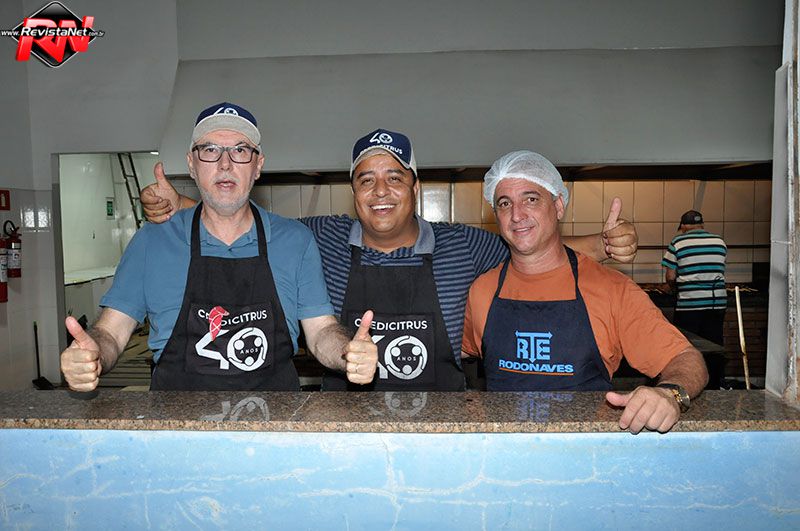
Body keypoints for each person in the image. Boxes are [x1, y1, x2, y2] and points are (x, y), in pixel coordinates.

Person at [141, 129, 638, 391]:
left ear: (414, 187)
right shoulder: (319, 238)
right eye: (366, 180)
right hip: (347, 435)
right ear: (353, 191)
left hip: (440, 436)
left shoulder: (464, 246)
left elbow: (530, 243)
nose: (380, 191)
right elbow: (245, 221)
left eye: (395, 178)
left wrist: (603, 243)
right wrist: (179, 204)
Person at [60, 102, 378, 392]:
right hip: (177, 428)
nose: (225, 164)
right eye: (210, 150)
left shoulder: (295, 241)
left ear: (257, 165)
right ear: (192, 164)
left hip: (273, 428)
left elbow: (321, 332)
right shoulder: (152, 242)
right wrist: (92, 355)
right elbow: (112, 333)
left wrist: (347, 352)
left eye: (240, 150)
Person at [461, 151, 707, 433]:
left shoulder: (611, 289)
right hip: (502, 450)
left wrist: (669, 393)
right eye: (505, 203)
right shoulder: (482, 290)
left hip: (587, 450)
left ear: (559, 206)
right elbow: (459, 350)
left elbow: (686, 359)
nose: (517, 215)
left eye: (531, 199)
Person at [662, 210, 727, 345]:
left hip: (690, 303)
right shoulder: (719, 241)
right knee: (714, 344)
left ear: (683, 226)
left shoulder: (678, 242)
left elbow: (670, 276)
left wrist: (670, 287)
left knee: (688, 345)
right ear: (702, 224)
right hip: (716, 303)